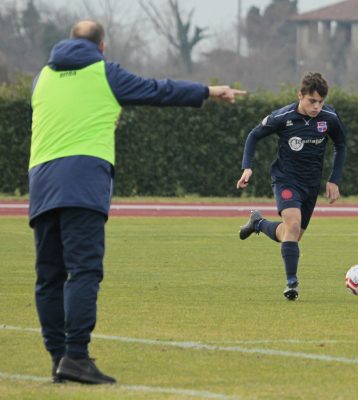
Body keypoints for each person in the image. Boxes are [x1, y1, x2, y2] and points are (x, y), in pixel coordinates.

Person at [29, 20, 245, 385]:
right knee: (84, 271)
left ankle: (58, 359)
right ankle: (77, 356)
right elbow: (157, 90)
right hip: (82, 182)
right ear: (102, 46)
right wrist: (207, 91)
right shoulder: (104, 71)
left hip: (42, 183)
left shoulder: (42, 77)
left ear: (68, 42)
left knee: (49, 277)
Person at [236, 72, 347, 301]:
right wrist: (247, 167)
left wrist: (334, 179)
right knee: (293, 225)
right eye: (312, 101)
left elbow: (341, 145)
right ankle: (291, 283)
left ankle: (258, 223)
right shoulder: (283, 117)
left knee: (291, 234)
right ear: (300, 96)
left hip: (310, 186)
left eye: (321, 102)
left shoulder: (330, 118)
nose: (317, 106)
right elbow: (253, 135)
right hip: (286, 180)